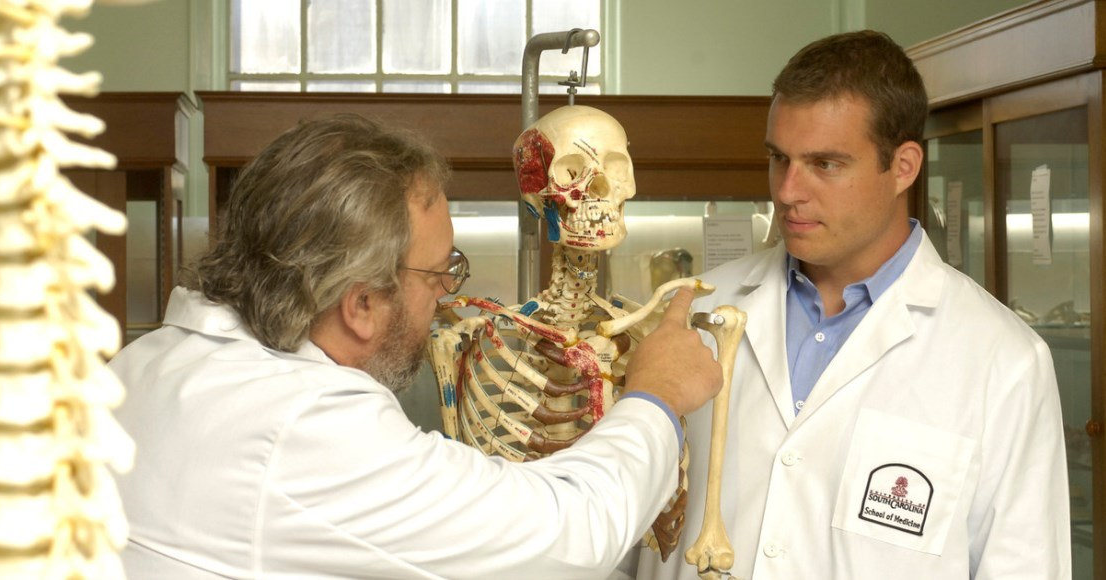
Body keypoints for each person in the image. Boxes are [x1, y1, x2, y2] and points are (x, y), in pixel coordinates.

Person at [109, 114, 723, 579]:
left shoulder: (139, 367)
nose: (447, 299)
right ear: (362, 304)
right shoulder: (305, 427)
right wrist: (655, 395)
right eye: (438, 274)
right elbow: (572, 532)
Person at [638, 30, 1071, 579]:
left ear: (904, 166)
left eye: (826, 164)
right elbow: (627, 532)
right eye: (779, 159)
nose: (789, 190)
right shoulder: (693, 312)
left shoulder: (1003, 361)